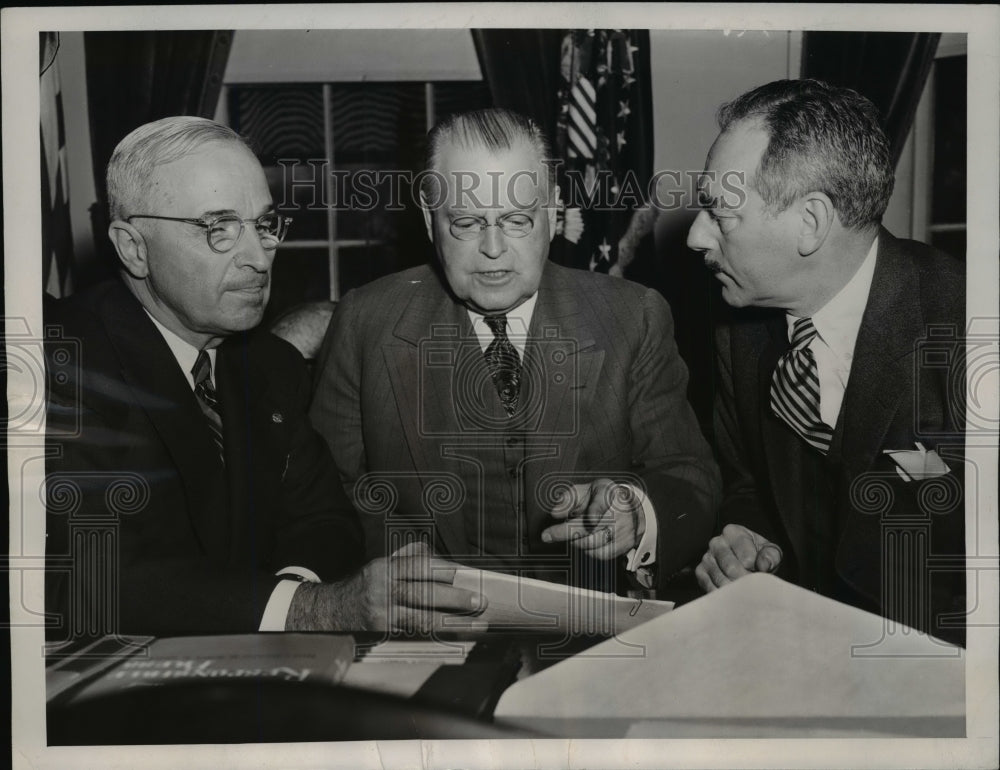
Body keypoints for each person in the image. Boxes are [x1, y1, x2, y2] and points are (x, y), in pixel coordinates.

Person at [44, 116, 481, 639]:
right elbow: (90, 577)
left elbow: (326, 521)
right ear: (133, 247)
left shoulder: (268, 365)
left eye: (264, 225)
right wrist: (309, 610)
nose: (258, 259)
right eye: (218, 229)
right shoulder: (59, 359)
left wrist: (294, 586)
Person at [309, 108, 720, 598]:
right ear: (428, 219)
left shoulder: (635, 316)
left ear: (552, 212)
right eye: (466, 222)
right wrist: (384, 564)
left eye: (517, 219)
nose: (494, 248)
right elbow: (321, 501)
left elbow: (689, 476)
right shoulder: (365, 321)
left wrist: (639, 514)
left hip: (587, 630)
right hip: (424, 625)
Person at [687, 79, 965, 644]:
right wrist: (746, 538)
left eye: (721, 215)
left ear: (811, 223)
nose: (696, 236)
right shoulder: (739, 325)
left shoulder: (970, 326)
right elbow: (747, 481)